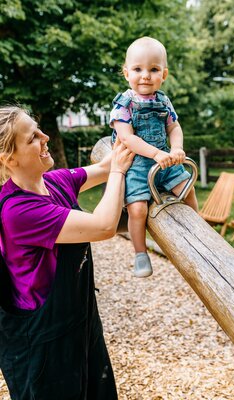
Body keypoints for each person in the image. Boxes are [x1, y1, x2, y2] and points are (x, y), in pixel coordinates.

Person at [0, 105, 134, 400]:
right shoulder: (18, 211)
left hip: (80, 322)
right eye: (32, 137)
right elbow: (103, 226)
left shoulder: (54, 182)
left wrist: (134, 134)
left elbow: (102, 167)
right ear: (9, 159)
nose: (44, 136)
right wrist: (119, 170)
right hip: (41, 345)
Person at [110, 36, 198, 278]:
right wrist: (156, 153)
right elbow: (128, 138)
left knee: (187, 188)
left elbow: (174, 127)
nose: (145, 75)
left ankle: (198, 232)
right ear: (126, 73)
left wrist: (176, 148)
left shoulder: (163, 100)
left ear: (164, 74)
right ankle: (140, 252)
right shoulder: (123, 105)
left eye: (153, 69)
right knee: (137, 209)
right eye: (138, 69)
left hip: (165, 161)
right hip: (138, 165)